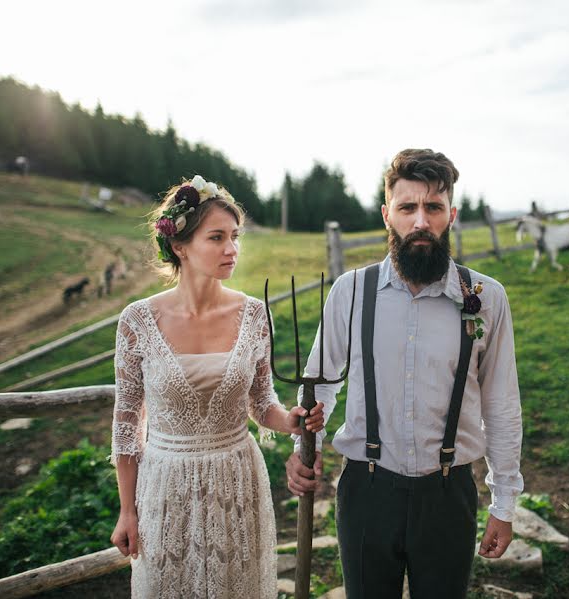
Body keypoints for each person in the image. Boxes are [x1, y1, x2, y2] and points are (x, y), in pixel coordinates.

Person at [285, 149, 524, 598]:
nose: (420, 221)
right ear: (386, 215)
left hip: (449, 493)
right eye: (407, 208)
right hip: (366, 490)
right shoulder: (350, 292)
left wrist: (504, 502)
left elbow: (501, 404)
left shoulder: (486, 297)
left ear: (450, 215)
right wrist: (303, 448)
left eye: (433, 208)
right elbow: (319, 385)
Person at [109, 175, 324, 599]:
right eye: (217, 237)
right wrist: (127, 511)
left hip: (237, 480)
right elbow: (126, 424)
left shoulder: (253, 314)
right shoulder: (137, 322)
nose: (232, 249)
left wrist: (292, 420)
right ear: (180, 246)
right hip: (165, 486)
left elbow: (262, 403)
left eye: (235, 237)